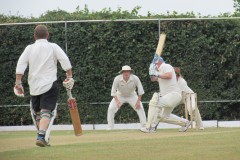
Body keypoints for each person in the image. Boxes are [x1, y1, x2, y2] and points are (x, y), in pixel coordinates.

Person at [14, 24, 74, 147]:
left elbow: (21, 65)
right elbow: (65, 61)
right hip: (49, 83)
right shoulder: (53, 46)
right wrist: (69, 76)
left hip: (34, 86)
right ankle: (41, 136)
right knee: (46, 111)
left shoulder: (29, 48)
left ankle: (43, 137)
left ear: (34, 36)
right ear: (47, 35)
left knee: (37, 113)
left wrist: (18, 83)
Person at [140, 53, 191, 133]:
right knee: (164, 117)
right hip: (170, 97)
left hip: (173, 95)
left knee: (154, 102)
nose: (155, 65)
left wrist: (157, 73)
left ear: (159, 62)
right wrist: (151, 73)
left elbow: (169, 76)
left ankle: (149, 127)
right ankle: (185, 123)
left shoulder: (166, 66)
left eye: (155, 63)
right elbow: (153, 79)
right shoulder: (160, 71)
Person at [107, 65, 146, 130]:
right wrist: (117, 101)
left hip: (132, 95)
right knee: (111, 108)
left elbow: (140, 91)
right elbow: (113, 91)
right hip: (119, 95)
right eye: (124, 71)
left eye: (128, 71)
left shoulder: (135, 78)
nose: (126, 73)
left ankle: (144, 126)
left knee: (140, 108)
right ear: (122, 72)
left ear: (130, 72)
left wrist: (138, 101)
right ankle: (110, 127)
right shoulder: (117, 79)